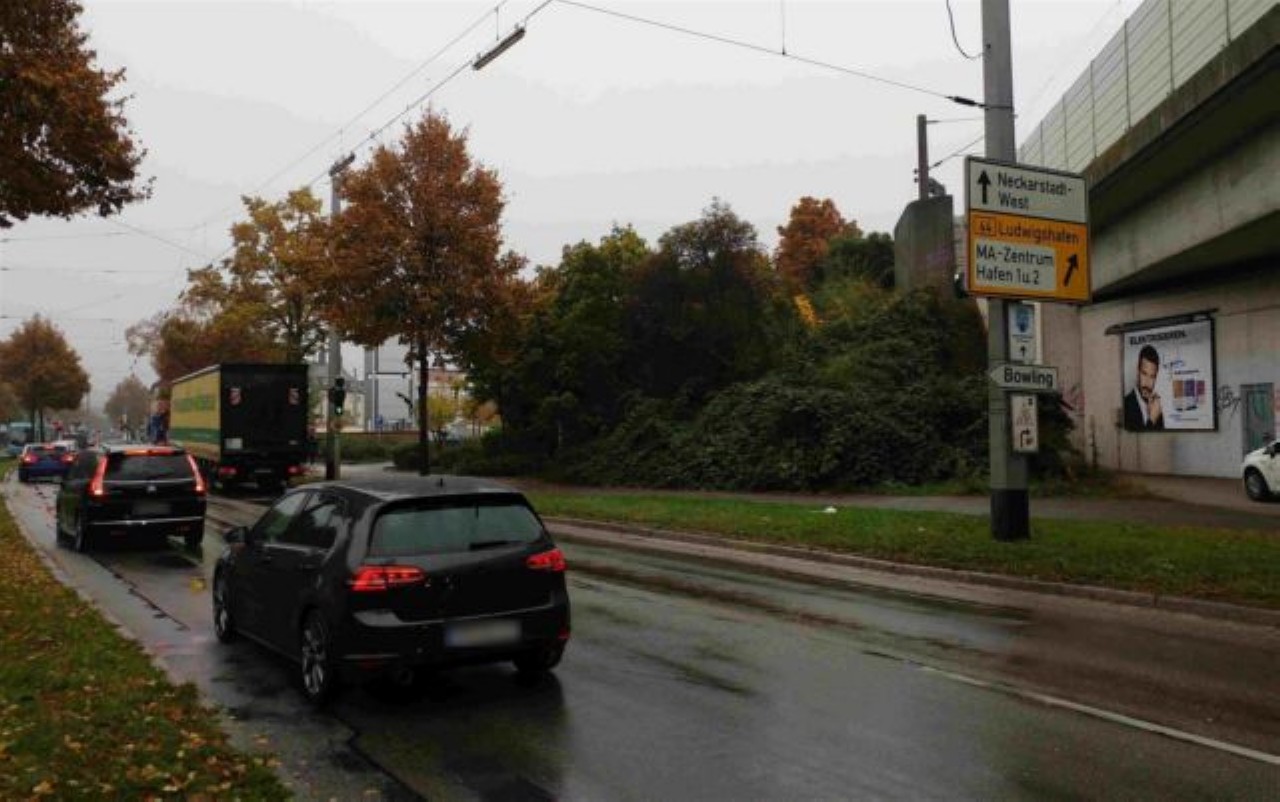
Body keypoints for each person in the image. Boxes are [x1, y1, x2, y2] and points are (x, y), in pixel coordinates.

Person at [1124, 344, 1164, 430]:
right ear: (1137, 372)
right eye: (1144, 374)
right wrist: (1152, 420)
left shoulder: (1156, 409)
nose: (1147, 382)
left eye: (1152, 376)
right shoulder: (1126, 406)